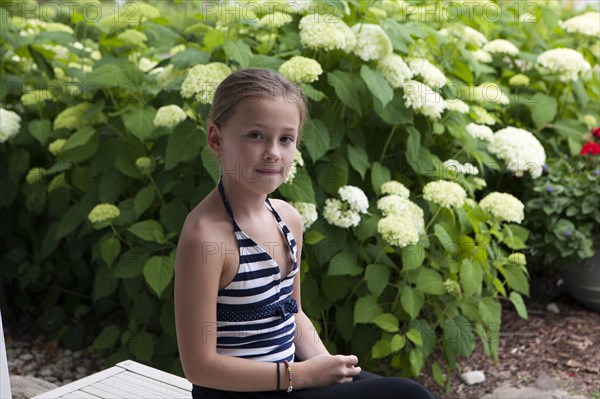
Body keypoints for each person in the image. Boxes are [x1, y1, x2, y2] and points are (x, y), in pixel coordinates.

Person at [174, 68, 436, 399]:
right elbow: (199, 367)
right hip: (240, 392)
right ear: (216, 139)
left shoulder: (287, 219)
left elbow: (292, 311)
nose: (273, 152)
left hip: (290, 376)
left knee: (400, 392)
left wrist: (327, 366)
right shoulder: (207, 236)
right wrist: (300, 375)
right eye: (256, 135)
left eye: (286, 139)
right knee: (407, 396)